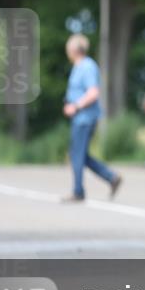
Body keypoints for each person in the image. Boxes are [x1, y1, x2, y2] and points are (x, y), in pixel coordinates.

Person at [62, 34, 122, 202]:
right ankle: (111, 177)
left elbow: (93, 93)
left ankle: (78, 191)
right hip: (80, 118)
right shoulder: (78, 66)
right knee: (80, 155)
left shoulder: (87, 66)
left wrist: (75, 106)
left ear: (74, 49)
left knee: (77, 154)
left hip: (85, 118)